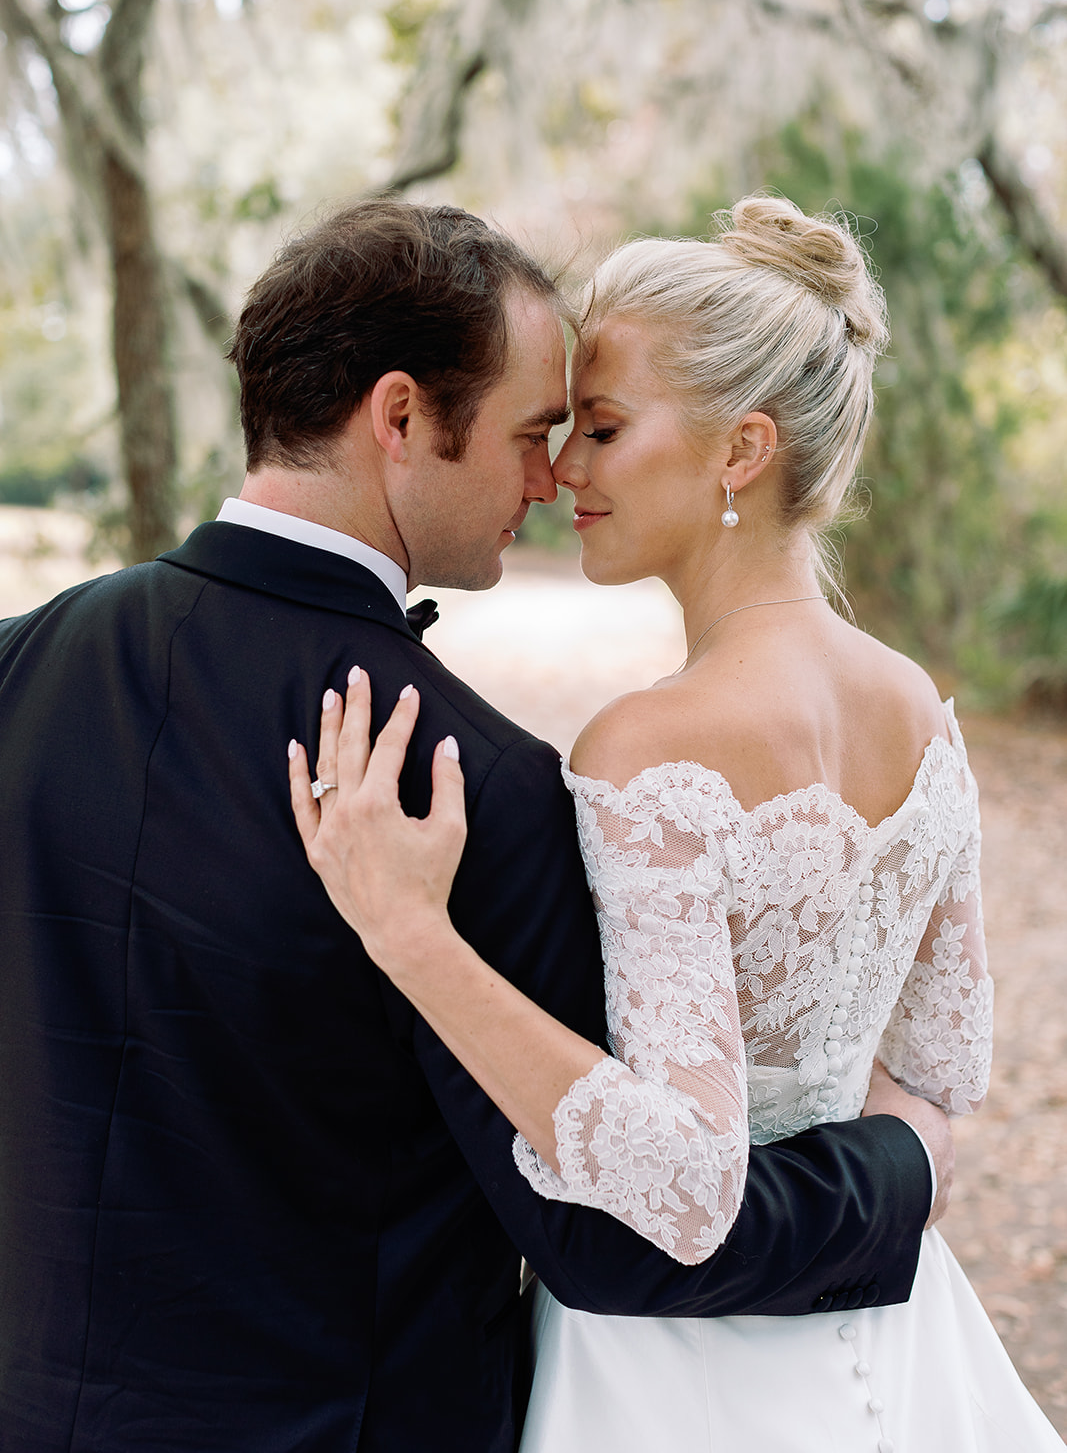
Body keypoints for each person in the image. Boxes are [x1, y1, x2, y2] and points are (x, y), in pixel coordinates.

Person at [1, 200, 949, 1453]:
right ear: (399, 418)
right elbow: (618, 1239)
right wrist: (903, 1177)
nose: (547, 478)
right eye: (532, 432)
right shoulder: (473, 789)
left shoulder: (19, 666)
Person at [289, 197, 1065, 1450]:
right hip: (890, 1327)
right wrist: (900, 1167)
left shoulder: (648, 748)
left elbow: (690, 1183)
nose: (562, 472)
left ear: (740, 451)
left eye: (600, 429)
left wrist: (410, 937)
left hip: (672, 1376)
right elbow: (945, 1065)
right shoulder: (918, 710)